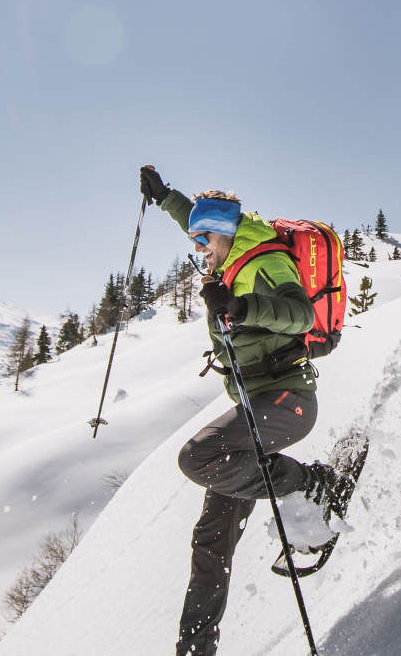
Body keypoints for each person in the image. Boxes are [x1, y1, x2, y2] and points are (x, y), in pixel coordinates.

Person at [139, 167, 344, 656]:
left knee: (197, 457)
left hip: (287, 401)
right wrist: (165, 197)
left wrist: (240, 305)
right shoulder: (229, 253)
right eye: (194, 240)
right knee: (210, 539)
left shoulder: (265, 259)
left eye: (202, 240)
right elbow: (199, 220)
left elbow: (301, 314)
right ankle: (196, 649)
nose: (197, 249)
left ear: (224, 233)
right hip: (254, 411)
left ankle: (312, 482)